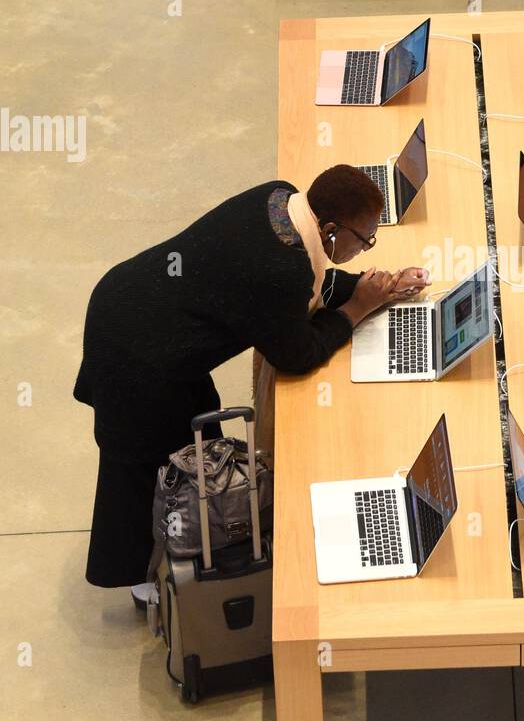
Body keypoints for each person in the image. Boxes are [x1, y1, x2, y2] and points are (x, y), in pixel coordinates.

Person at [74, 167, 429, 598]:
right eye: (365, 238)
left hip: (132, 302)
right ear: (331, 230)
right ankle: (143, 578)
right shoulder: (280, 269)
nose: (366, 246)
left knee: (193, 438)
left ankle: (196, 529)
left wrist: (379, 287)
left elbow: (307, 284)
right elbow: (298, 353)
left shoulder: (283, 202)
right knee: (148, 461)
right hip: (136, 352)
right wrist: (356, 310)